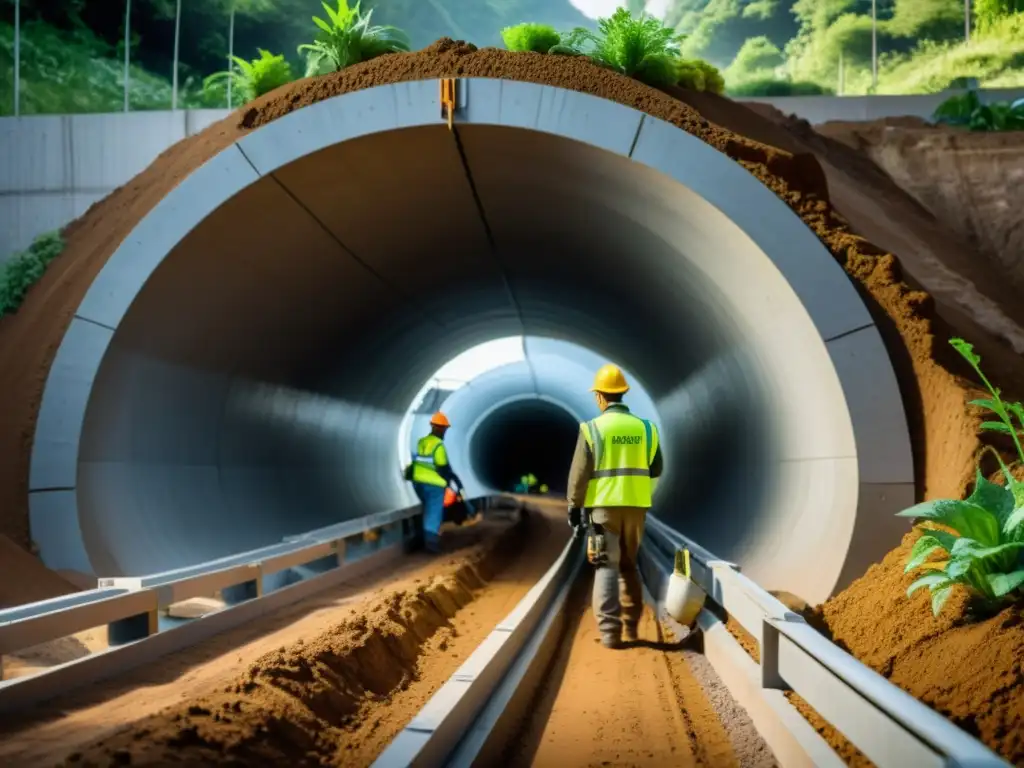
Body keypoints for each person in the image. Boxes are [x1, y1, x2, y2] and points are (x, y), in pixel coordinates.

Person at [566, 363, 663, 649]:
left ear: (599, 396)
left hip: (604, 509)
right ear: (623, 394)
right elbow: (656, 468)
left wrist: (574, 506)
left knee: (606, 567)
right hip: (635, 507)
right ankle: (632, 625)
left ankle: (610, 633)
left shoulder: (592, 429)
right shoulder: (647, 429)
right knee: (629, 566)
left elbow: (579, 474)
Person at [408, 411, 465, 553]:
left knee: (423, 510)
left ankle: (419, 538)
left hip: (417, 481)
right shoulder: (438, 445)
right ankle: (431, 542)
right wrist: (451, 481)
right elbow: (442, 466)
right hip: (434, 483)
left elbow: (420, 460)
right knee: (434, 512)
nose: (445, 431)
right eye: (444, 429)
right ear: (441, 428)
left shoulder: (422, 442)